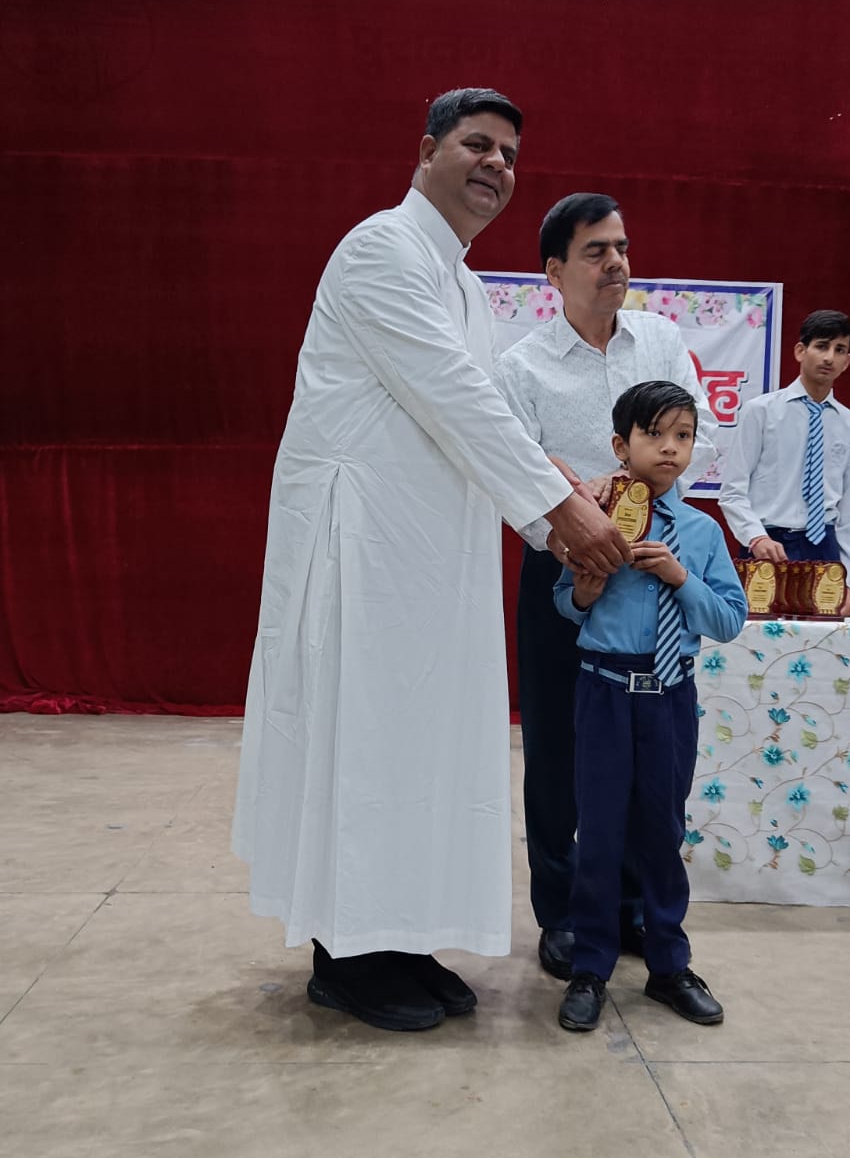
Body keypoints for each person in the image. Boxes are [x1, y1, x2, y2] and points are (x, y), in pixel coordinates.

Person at [232, 88, 631, 1034]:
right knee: (363, 738)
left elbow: (486, 413)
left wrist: (556, 489)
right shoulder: (379, 250)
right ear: (426, 151)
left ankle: (400, 936)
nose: (496, 165)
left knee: (421, 742)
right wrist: (561, 514)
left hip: (430, 558)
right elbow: (457, 398)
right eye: (477, 145)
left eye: (509, 155)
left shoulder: (462, 285)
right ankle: (346, 957)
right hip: (361, 546)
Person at [493, 193, 718, 982]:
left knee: (645, 748)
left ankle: (630, 909)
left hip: (652, 572)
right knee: (560, 749)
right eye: (596, 251)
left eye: (621, 246)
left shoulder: (661, 339)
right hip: (566, 571)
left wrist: (621, 489)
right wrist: (571, 521)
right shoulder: (521, 367)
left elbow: (700, 439)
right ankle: (562, 913)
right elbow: (512, 475)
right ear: (555, 272)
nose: (616, 262)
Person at [553, 381, 747, 1033]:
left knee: (663, 831)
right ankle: (590, 967)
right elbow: (564, 603)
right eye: (653, 434)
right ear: (621, 445)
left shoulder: (701, 532)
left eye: (682, 436)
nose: (669, 447)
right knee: (599, 832)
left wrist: (679, 577)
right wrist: (583, 593)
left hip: (669, 695)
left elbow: (729, 620)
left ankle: (668, 965)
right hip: (604, 691)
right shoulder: (596, 519)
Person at [718, 310, 850, 616]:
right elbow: (732, 491)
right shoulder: (760, 412)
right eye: (821, 346)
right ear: (800, 351)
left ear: (847, 361)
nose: (829, 357)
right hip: (767, 543)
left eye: (839, 350)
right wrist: (755, 537)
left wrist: (848, 579)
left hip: (824, 548)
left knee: (821, 641)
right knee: (756, 636)